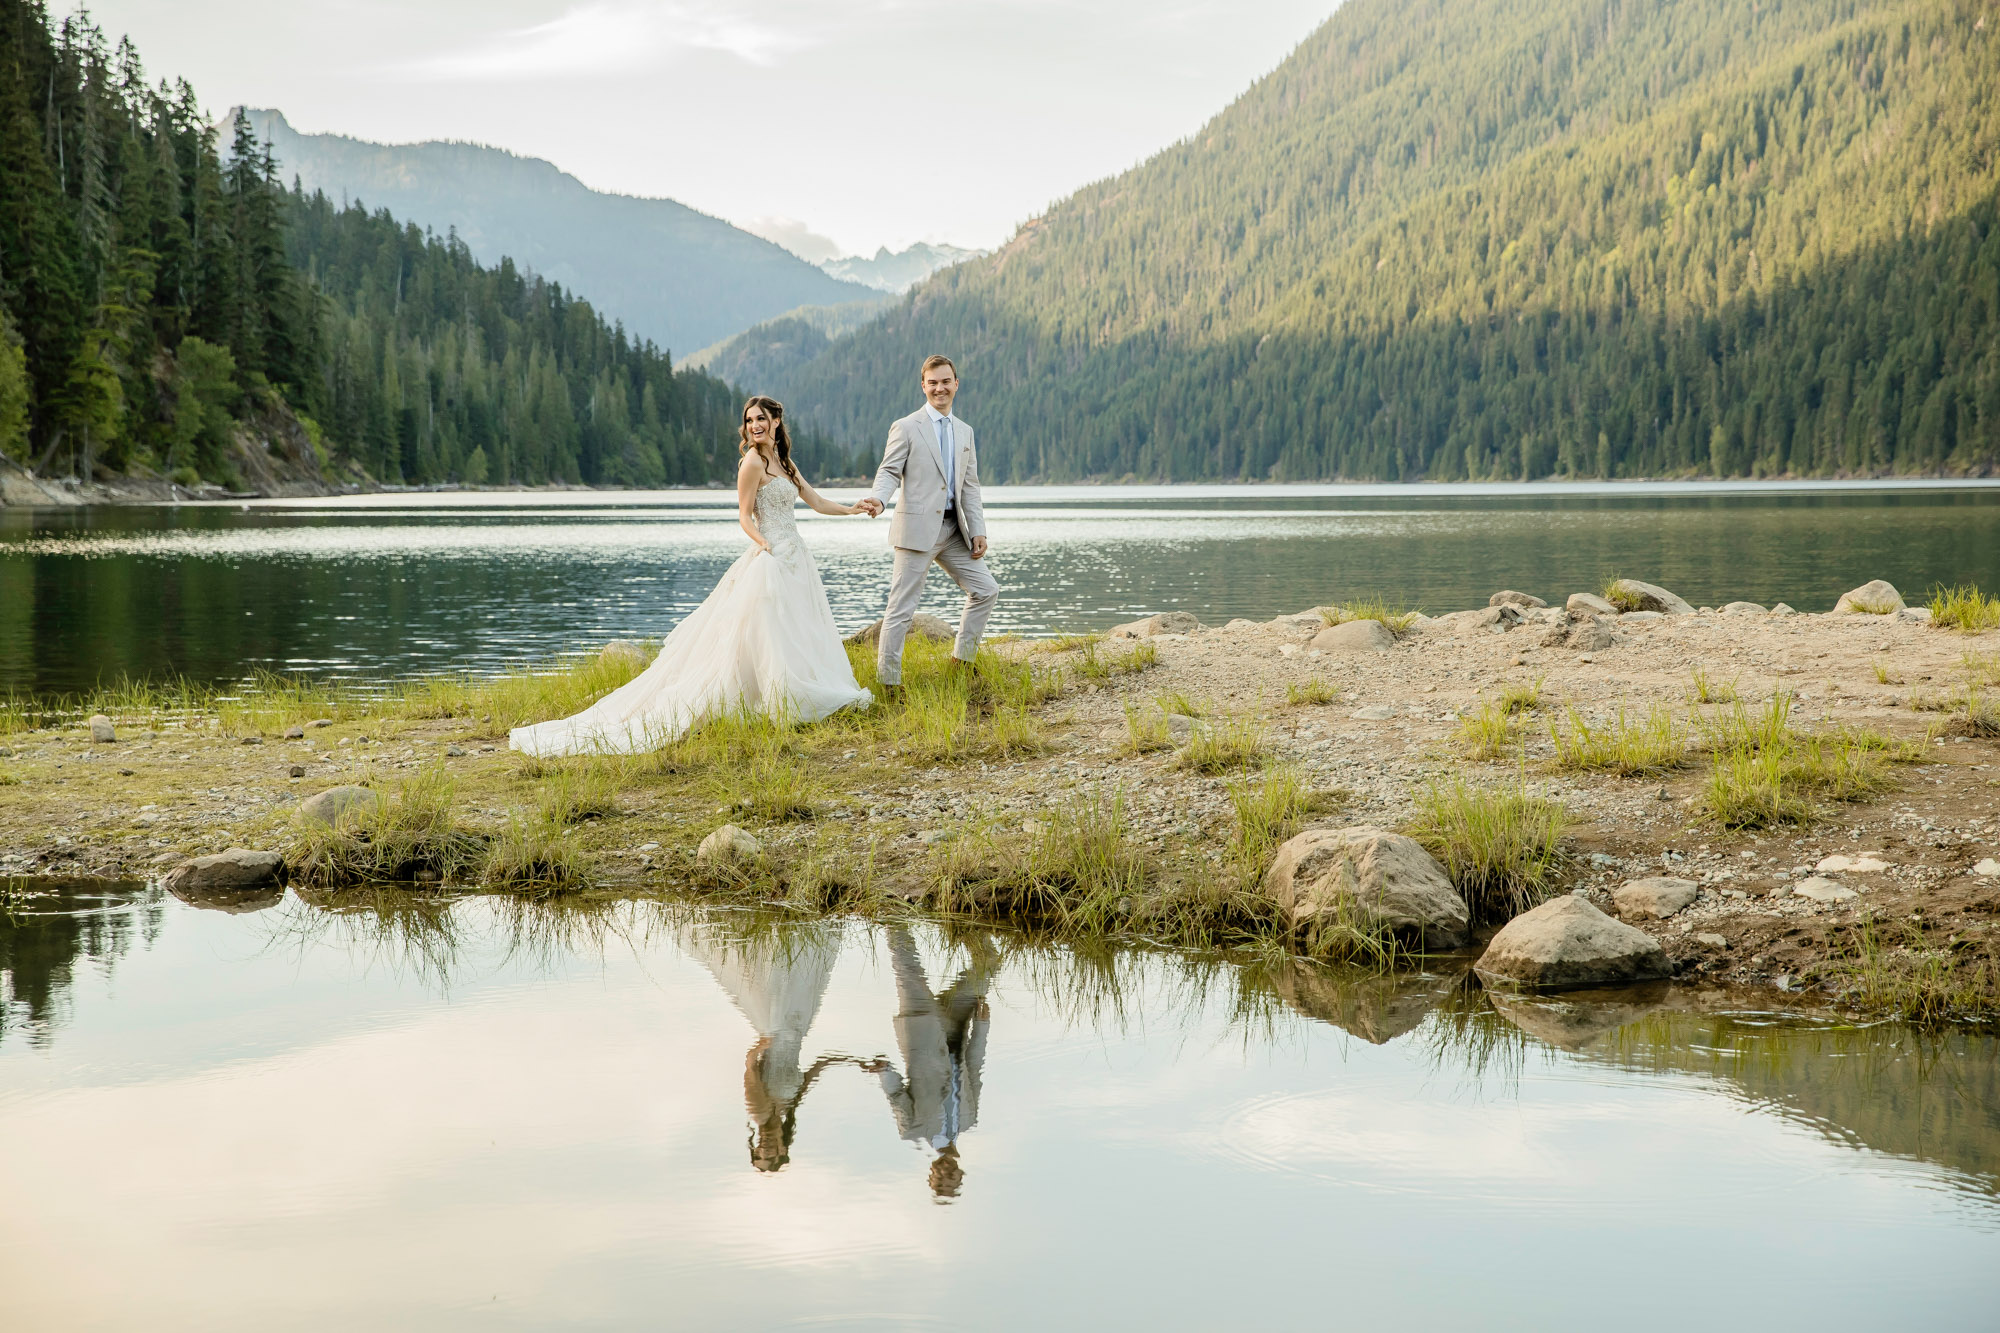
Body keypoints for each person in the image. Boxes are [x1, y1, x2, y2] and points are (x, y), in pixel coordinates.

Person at [510, 396, 873, 756]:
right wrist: (762, 542)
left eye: (761, 419)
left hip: (796, 557)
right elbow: (744, 516)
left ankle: (797, 692)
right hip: (770, 557)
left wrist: (852, 509)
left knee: (796, 630)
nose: (754, 426)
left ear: (777, 421)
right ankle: (775, 700)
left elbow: (817, 501)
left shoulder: (784, 462)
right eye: (749, 421)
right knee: (767, 635)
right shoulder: (752, 462)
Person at [854, 355, 1000, 696]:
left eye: (946, 381)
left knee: (986, 590)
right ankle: (889, 682)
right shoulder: (906, 426)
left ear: (956, 384)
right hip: (916, 531)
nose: (940, 388)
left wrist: (977, 530)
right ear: (923, 386)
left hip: (954, 531)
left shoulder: (965, 431)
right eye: (933, 382)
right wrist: (879, 498)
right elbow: (889, 471)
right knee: (901, 609)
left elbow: (970, 485)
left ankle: (961, 663)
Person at [862, 927, 1000, 1199]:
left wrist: (884, 1071)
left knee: (905, 962)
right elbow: (974, 1069)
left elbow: (895, 1094)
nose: (946, 1175)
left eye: (940, 1180)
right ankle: (960, 920)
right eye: (952, 1180)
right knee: (989, 962)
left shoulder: (912, 1129)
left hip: (922, 1029)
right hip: (958, 1027)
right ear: (961, 1174)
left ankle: (891, 903)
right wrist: (981, 1027)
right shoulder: (970, 1120)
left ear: (931, 1173)